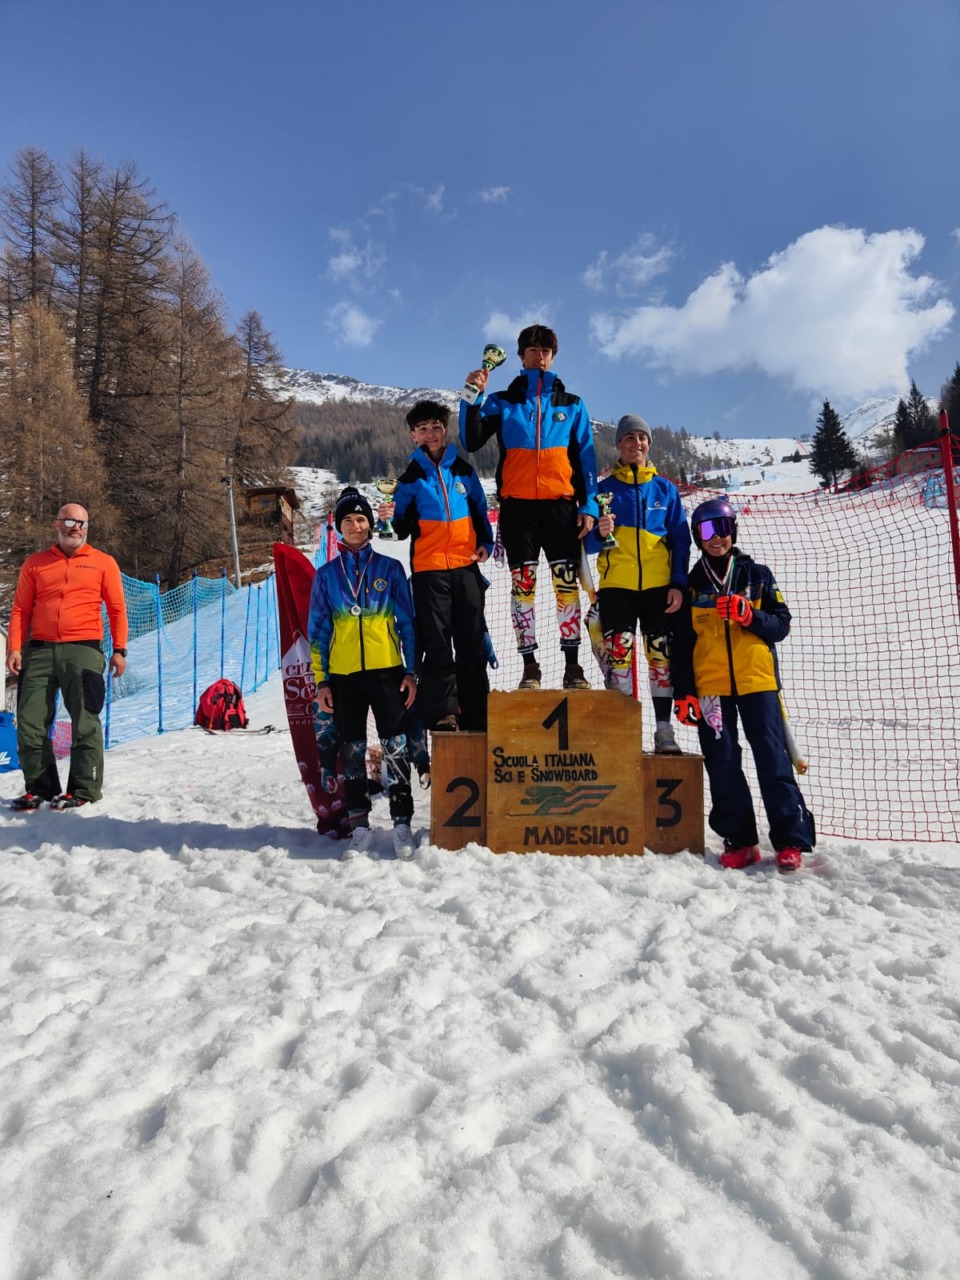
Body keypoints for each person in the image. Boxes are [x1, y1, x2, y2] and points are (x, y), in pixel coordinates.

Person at [671, 497, 815, 872]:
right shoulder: (690, 584)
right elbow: (682, 644)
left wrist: (750, 615)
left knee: (772, 758)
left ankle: (789, 840)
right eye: (706, 531)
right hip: (711, 688)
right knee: (723, 762)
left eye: (722, 528)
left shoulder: (758, 574)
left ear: (732, 530)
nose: (716, 538)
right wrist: (683, 692)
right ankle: (740, 840)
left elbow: (780, 625)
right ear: (697, 537)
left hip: (757, 682)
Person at [459, 323, 598, 691]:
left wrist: (591, 506)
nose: (539, 355)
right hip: (518, 510)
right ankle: (530, 667)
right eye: (532, 349)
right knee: (523, 589)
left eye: (546, 350)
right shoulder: (503, 401)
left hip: (561, 509)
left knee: (566, 589)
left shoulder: (572, 405)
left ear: (553, 356)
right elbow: (471, 440)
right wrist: (471, 396)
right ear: (520, 356)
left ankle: (573, 667)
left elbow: (585, 460)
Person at [308, 486, 419, 860]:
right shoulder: (326, 576)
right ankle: (360, 828)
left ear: (371, 525)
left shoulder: (390, 569)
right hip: (344, 677)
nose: (355, 526)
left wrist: (411, 671)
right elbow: (319, 632)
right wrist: (322, 680)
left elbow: (407, 622)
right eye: (348, 520)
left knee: (396, 747)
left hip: (387, 671)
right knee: (352, 751)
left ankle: (402, 824)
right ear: (338, 528)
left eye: (361, 519)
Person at [377, 400, 494, 732]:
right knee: (437, 642)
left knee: (472, 640)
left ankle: (477, 715)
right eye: (423, 428)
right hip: (428, 572)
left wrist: (486, 544)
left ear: (445, 430)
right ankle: (443, 714)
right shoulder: (410, 480)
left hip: (466, 567)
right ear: (414, 436)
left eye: (436, 426)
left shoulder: (464, 471)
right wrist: (387, 518)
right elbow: (399, 530)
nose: (430, 433)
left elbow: (481, 513)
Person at [5, 503, 128, 810]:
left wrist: (120, 650)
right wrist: (15, 648)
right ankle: (41, 788)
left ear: (87, 527)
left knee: (85, 722)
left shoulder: (103, 563)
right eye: (70, 521)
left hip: (84, 651)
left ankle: (84, 789)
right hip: (40, 651)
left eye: (82, 523)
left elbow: (116, 609)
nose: (76, 528)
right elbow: (21, 609)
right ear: (56, 524)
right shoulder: (36, 564)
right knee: (30, 723)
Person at [584, 414, 691, 753]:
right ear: (618, 445)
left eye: (641, 438)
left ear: (648, 444)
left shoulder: (665, 489)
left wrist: (678, 583)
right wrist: (599, 534)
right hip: (617, 587)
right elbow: (585, 545)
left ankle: (663, 730)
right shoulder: (603, 491)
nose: (636, 444)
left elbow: (680, 541)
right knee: (619, 658)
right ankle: (624, 730)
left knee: (660, 659)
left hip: (659, 587)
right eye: (629, 438)